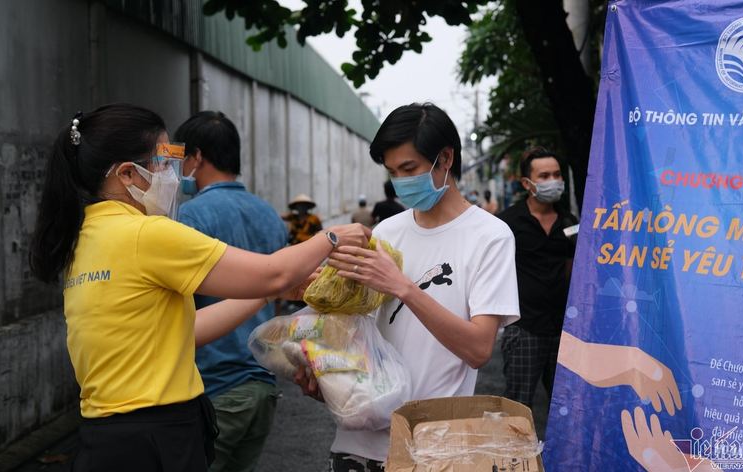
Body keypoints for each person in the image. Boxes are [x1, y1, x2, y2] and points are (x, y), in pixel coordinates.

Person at [28, 103, 370, 472]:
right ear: (127, 173)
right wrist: (332, 237)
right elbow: (275, 271)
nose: (172, 175)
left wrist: (268, 294)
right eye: (164, 161)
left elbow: (182, 332)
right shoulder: (146, 234)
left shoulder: (86, 239)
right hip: (159, 435)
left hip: (107, 438)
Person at [295, 103, 521, 472]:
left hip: (433, 447)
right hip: (358, 439)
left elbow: (479, 349)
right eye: (392, 172)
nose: (400, 181)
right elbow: (361, 335)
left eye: (410, 169)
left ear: (445, 158)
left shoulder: (491, 236)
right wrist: (325, 374)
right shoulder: (387, 232)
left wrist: (403, 287)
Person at [174, 110, 288, 472]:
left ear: (197, 157)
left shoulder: (190, 217)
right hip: (263, 385)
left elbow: (176, 307)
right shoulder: (269, 213)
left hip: (214, 387)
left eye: (179, 157)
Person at [497, 146, 578, 412]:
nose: (553, 181)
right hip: (524, 328)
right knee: (518, 406)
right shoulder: (507, 223)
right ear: (527, 183)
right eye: (544, 176)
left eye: (556, 174)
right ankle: (514, 455)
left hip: (563, 330)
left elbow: (570, 268)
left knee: (566, 406)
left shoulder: (570, 221)